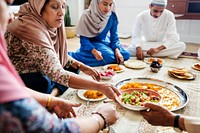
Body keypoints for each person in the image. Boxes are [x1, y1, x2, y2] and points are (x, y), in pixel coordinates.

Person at [0, 0, 119, 132]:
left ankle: (53, 94)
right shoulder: (30, 28)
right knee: (47, 81)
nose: (62, 12)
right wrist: (99, 88)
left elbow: (56, 54)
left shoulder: (45, 23)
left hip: (42, 66)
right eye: (55, 7)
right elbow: (56, 73)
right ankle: (51, 94)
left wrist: (82, 66)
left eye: (63, 6)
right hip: (27, 76)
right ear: (40, 8)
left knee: (73, 68)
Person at [68, 0, 130, 67]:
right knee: (108, 56)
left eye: (110, 4)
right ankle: (72, 56)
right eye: (105, 4)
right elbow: (84, 40)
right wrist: (94, 51)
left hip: (105, 41)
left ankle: (99, 56)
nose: (108, 8)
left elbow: (114, 37)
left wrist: (117, 50)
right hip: (90, 43)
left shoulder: (112, 15)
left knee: (126, 54)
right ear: (97, 2)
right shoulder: (86, 15)